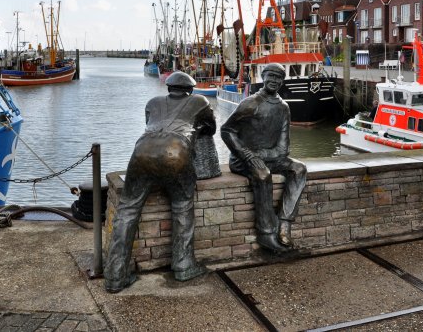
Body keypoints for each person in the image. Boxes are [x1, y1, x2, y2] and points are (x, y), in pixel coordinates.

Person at [104, 71, 215, 293]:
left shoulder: (152, 102)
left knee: (127, 210)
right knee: (183, 205)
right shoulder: (200, 101)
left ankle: (115, 276)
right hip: (176, 151)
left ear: (168, 87)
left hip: (142, 151)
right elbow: (211, 128)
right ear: (190, 89)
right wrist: (198, 129)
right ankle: (183, 266)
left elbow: (150, 123)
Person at [220, 63, 307, 253]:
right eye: (271, 76)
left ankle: (284, 224)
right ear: (263, 76)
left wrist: (262, 155)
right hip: (243, 159)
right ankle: (266, 233)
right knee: (262, 175)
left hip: (269, 157)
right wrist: (247, 155)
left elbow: (283, 148)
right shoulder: (250, 103)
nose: (274, 81)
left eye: (279, 78)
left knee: (299, 169)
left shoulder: (283, 107)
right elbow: (227, 130)